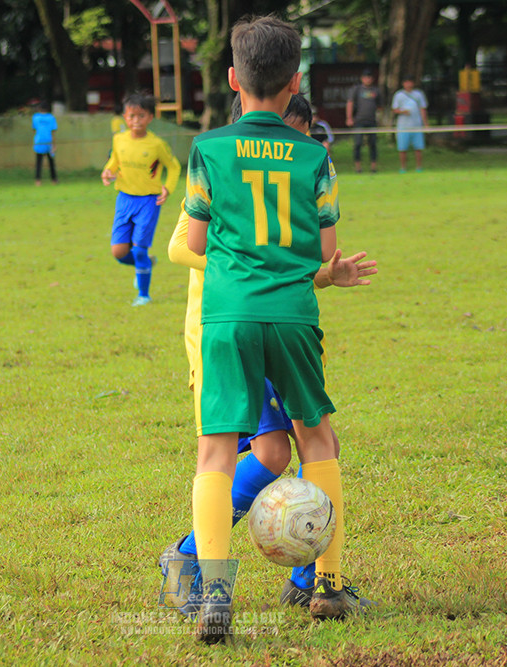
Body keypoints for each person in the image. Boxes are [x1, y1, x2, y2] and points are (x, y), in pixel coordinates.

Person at [161, 92, 377, 620]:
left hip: (271, 321)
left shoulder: (275, 165)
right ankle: (189, 559)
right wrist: (253, 267)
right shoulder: (223, 164)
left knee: (301, 446)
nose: (293, 144)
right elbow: (179, 246)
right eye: (288, 132)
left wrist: (326, 274)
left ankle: (310, 578)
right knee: (278, 450)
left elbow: (306, 259)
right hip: (224, 329)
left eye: (301, 135)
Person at [183, 15, 356, 643]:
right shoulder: (317, 157)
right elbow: (324, 257)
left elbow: (196, 239)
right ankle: (329, 586)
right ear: (296, 82)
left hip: (226, 316)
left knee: (216, 452)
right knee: (318, 441)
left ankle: (214, 596)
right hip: (292, 314)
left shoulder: (208, 150)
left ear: (233, 78)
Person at [101, 92, 181, 307]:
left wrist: (168, 189)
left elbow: (174, 166)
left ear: (150, 118)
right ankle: (144, 264)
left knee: (138, 249)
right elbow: (114, 161)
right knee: (119, 252)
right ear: (125, 117)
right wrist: (108, 172)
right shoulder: (119, 140)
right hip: (124, 199)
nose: (136, 120)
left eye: (141, 116)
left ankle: (144, 295)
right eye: (131, 116)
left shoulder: (156, 144)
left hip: (148, 202)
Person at [345, 69, 383, 173]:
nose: (368, 79)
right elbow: (350, 103)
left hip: (372, 121)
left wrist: (380, 119)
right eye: (366, 77)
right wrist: (349, 118)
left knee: (373, 144)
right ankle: (358, 167)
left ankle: (373, 167)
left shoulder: (376, 91)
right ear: (362, 78)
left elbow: (380, 107)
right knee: (357, 144)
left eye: (370, 77)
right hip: (359, 120)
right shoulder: (356, 90)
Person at [392, 78, 429, 173]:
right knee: (402, 148)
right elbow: (394, 109)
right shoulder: (398, 95)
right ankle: (403, 168)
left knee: (418, 148)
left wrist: (425, 124)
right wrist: (402, 111)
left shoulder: (418, 94)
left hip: (416, 125)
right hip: (403, 126)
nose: (408, 84)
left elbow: (422, 109)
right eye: (406, 82)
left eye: (410, 82)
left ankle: (419, 167)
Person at [32, 102, 58, 186]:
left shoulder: (35, 117)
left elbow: (34, 130)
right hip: (49, 142)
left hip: (39, 142)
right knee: (51, 163)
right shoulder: (51, 117)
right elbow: (53, 132)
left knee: (38, 163)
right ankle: (54, 180)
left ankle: (38, 181)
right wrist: (54, 144)